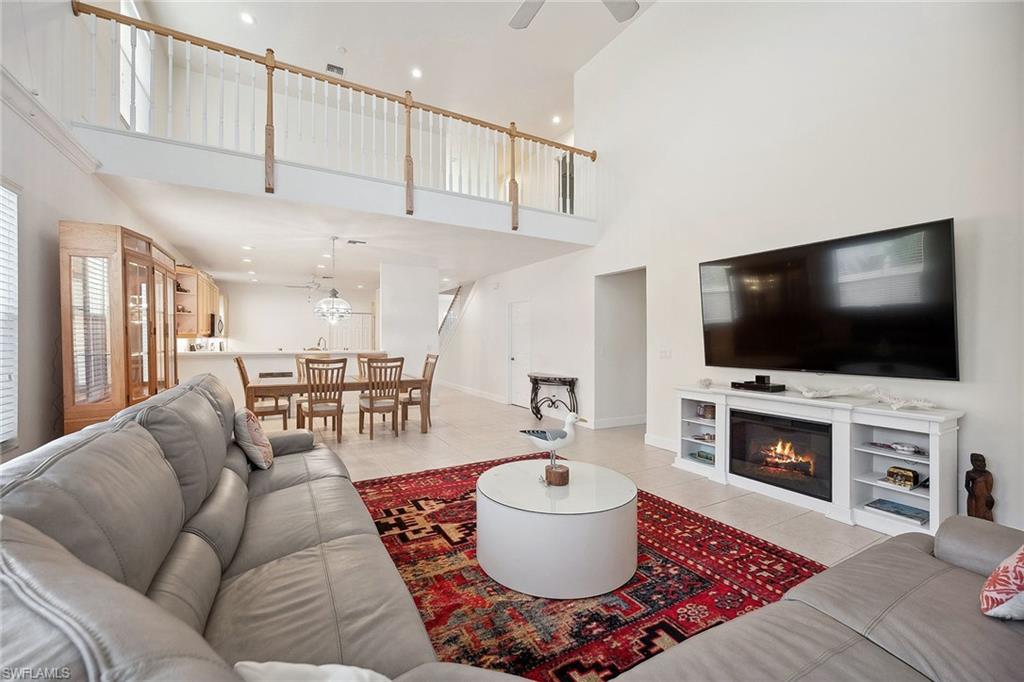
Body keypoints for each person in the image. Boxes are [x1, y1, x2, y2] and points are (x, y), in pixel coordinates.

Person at [964, 452, 995, 521]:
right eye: (979, 461)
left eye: (983, 461)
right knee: (975, 516)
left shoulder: (987, 474)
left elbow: (989, 487)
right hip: (975, 498)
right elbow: (966, 485)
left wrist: (989, 496)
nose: (982, 463)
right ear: (973, 462)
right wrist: (972, 494)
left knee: (987, 515)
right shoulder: (969, 473)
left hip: (985, 498)